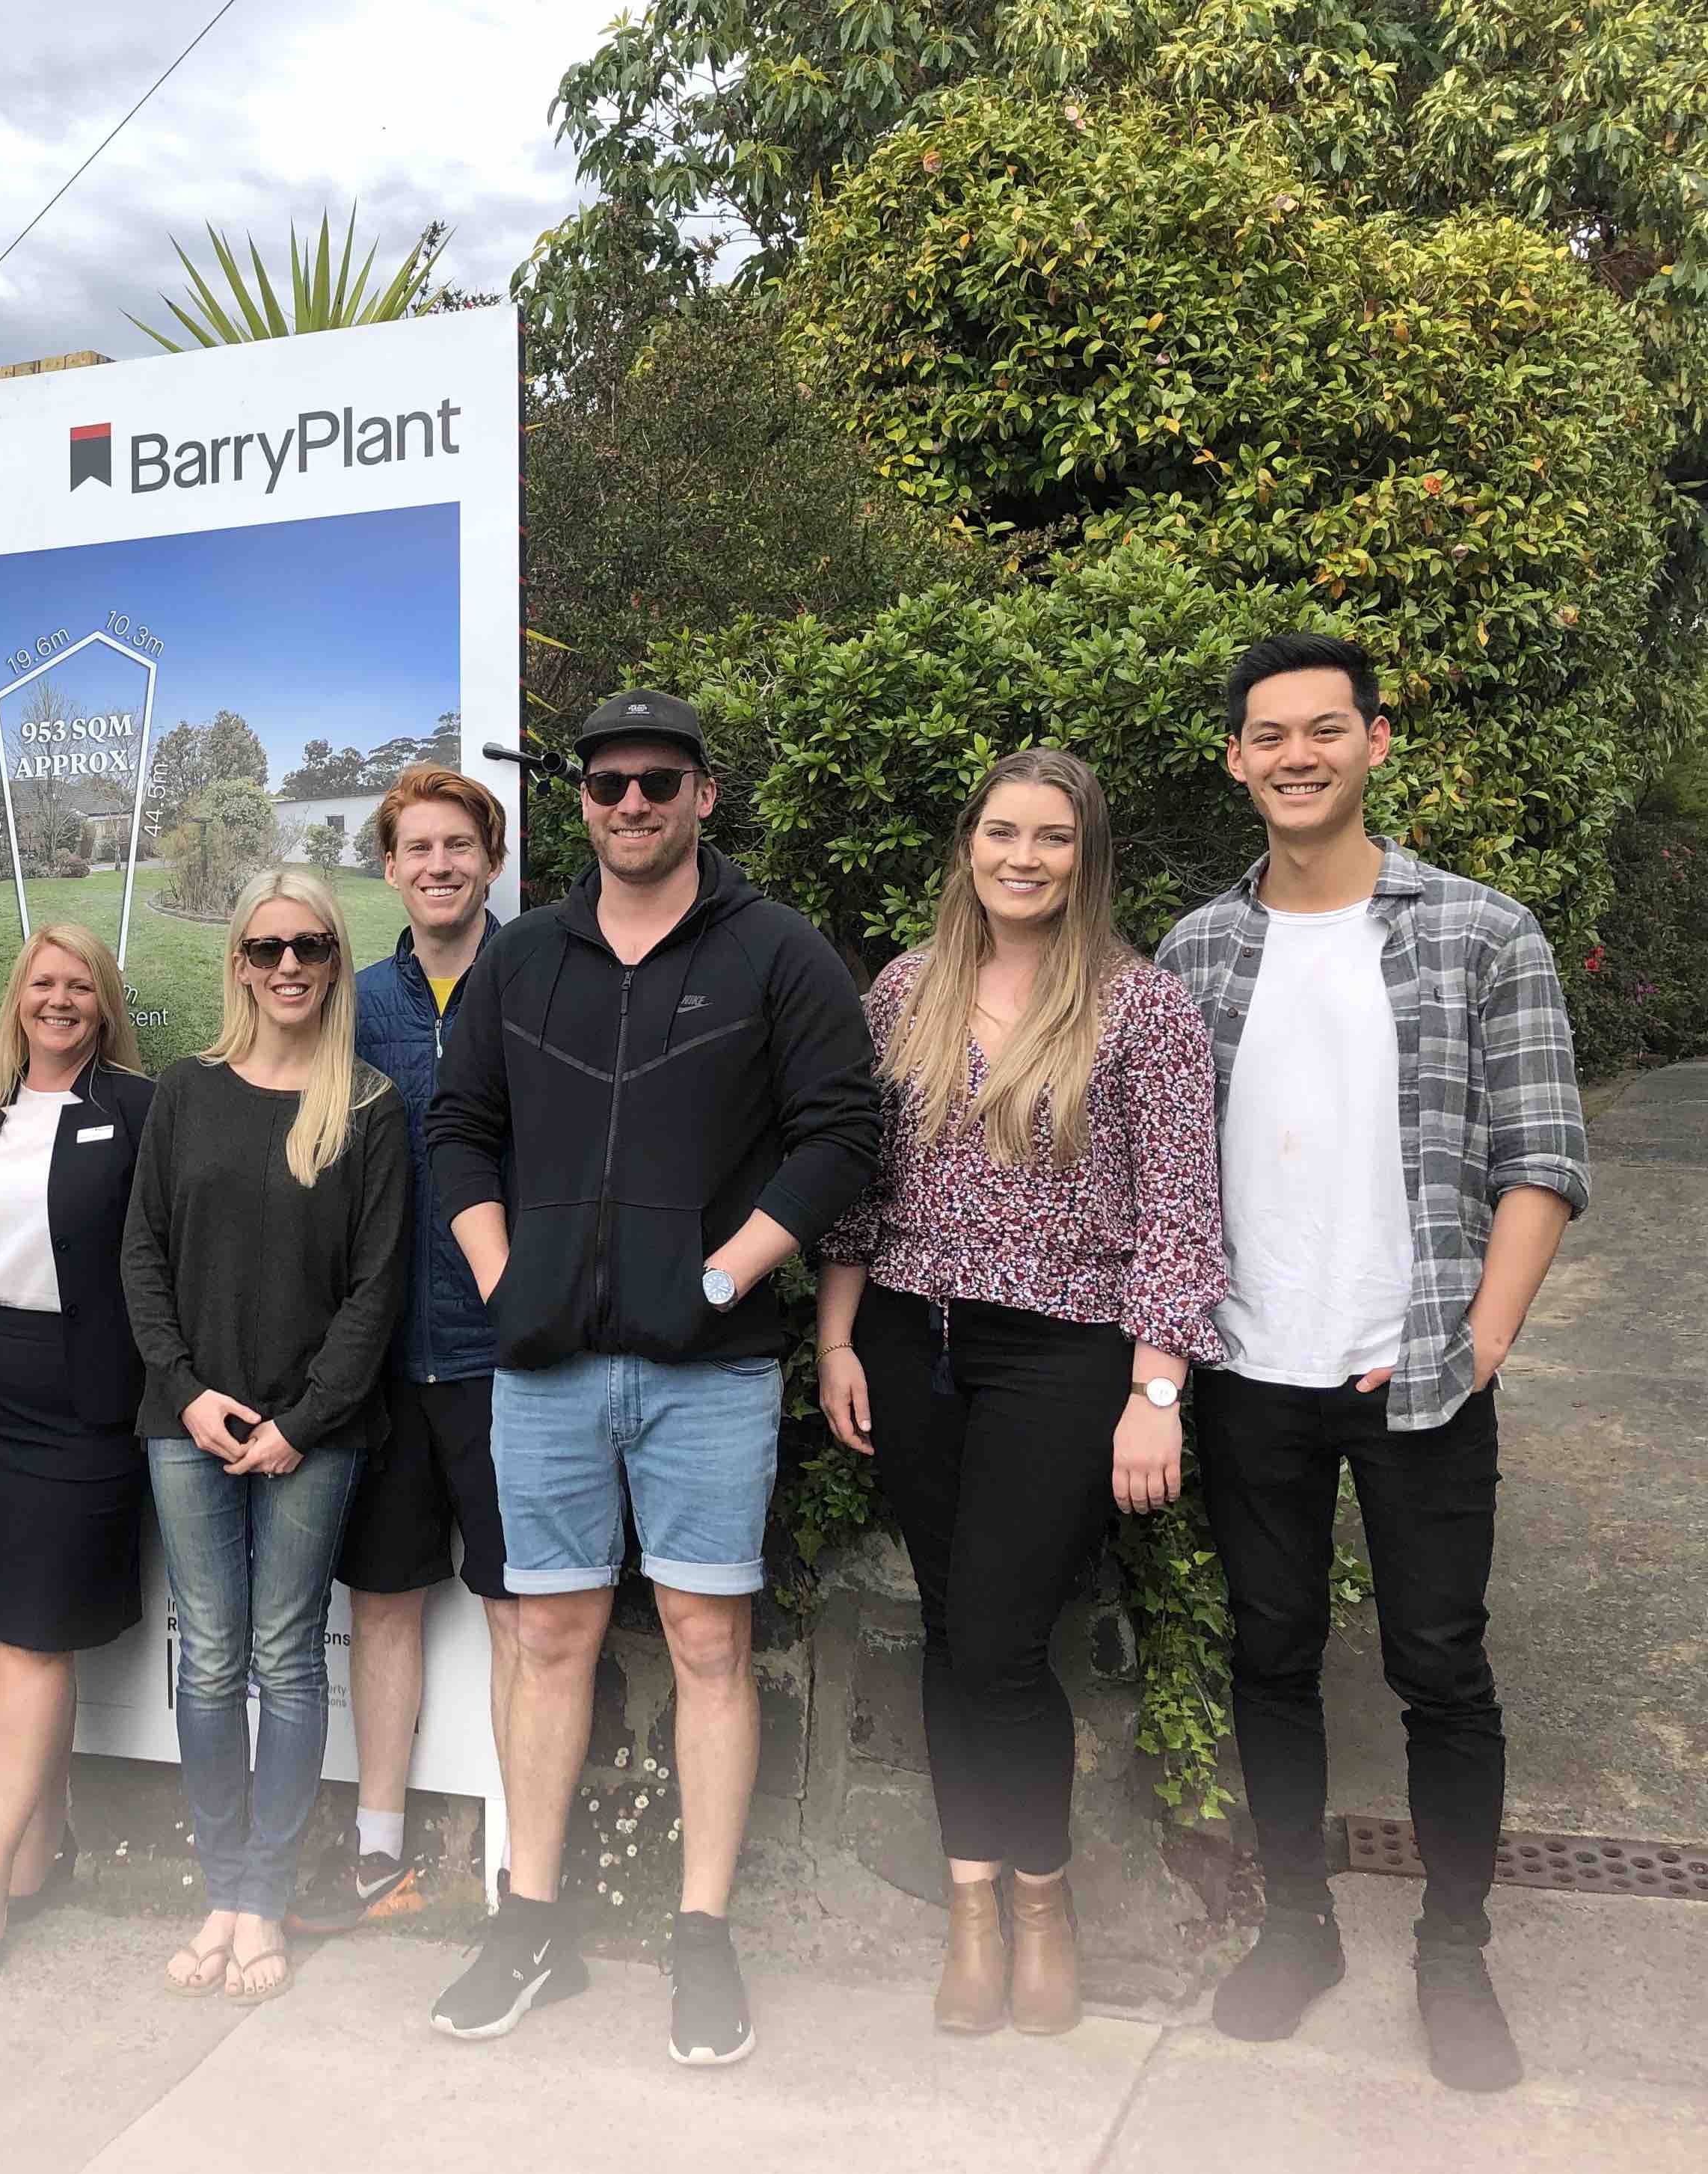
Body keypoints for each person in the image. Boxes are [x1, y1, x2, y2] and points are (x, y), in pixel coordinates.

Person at [1159, 633, 1588, 2093]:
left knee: (1441, 1668)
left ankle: (1454, 1952)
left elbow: (1541, 1156)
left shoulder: (1482, 932)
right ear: (1237, 758)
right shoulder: (1197, 951)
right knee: (1270, 1654)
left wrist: (1478, 1342)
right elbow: (1168, 1173)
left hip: (1421, 1379)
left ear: (1375, 742)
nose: (1298, 756)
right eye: (1270, 735)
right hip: (1249, 1374)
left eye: (1325, 730)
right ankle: (1299, 1927)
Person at [427, 687, 881, 2066]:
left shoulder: (779, 952)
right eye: (608, 783)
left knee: (708, 1646)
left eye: (658, 782)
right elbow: (458, 1129)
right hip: (548, 1369)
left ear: (703, 794)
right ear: (579, 800)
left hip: (711, 1373)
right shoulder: (522, 959)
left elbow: (841, 1137)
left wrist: (724, 1278)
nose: (632, 803)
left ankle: (702, 1935)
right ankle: (531, 1925)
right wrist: (505, 1280)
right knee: (549, 1642)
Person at [814, 749, 1227, 2037]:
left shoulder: (1144, 1009)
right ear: (969, 846)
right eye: (1003, 832)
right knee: (951, 1628)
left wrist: (1158, 1388)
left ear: (1086, 857)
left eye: (1053, 837)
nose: (1024, 857)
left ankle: (1042, 1902)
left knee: (998, 1639)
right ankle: (973, 1907)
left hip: (1065, 1352)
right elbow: (860, 1185)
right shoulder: (905, 992)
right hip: (910, 1339)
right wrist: (836, 1339)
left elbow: (1181, 1216)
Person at [122, 867, 408, 2005]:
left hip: (313, 1435)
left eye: (310, 947)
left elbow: (376, 1289)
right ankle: (224, 1889)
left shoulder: (370, 1106)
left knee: (286, 1656)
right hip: (185, 1422)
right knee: (208, 1655)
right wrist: (187, 1392)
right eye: (266, 947)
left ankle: (267, 1895)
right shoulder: (185, 1092)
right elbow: (143, 1256)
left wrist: (303, 1421)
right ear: (238, 963)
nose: (288, 966)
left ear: (335, 963)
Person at [293, 763, 517, 1935]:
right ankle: (376, 1853)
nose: (439, 865)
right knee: (383, 1604)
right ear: (388, 868)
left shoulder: (537, 982)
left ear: (491, 861)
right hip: (380, 1367)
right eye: (417, 847)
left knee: (525, 1612)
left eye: (458, 845)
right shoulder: (354, 1002)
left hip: (507, 1363)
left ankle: (527, 1865)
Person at [0, 921, 155, 1982]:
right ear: (17, 998)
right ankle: (40, 1845)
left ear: (105, 1004)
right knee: (19, 1639)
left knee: (34, 1639)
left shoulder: (138, 1111)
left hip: (82, 1399)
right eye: (41, 983)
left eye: (80, 986)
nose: (58, 1000)